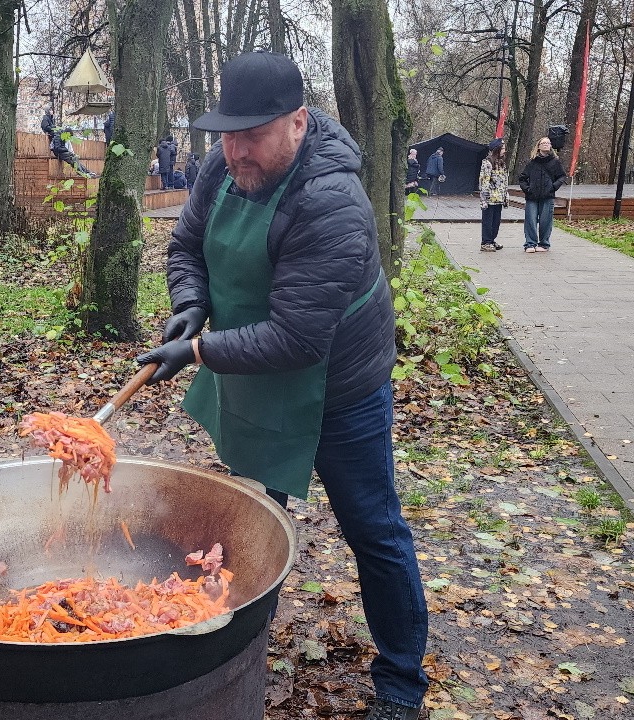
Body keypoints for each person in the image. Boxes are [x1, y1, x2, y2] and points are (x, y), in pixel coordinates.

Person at [135, 50, 428, 720]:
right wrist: (190, 302)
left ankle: (402, 684)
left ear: (297, 123)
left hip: (339, 385)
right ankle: (234, 647)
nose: (236, 152)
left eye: (254, 135)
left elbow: (298, 338)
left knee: (374, 530)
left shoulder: (331, 199)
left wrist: (200, 348)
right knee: (248, 520)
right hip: (252, 369)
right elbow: (185, 247)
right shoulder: (225, 162)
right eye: (227, 135)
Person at [518, 136, 566, 252]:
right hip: (532, 196)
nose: (546, 145)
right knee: (530, 220)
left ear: (550, 146)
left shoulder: (555, 162)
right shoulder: (532, 162)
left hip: (547, 196)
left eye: (548, 143)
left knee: (546, 221)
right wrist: (527, 189)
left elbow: (562, 176)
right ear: (538, 146)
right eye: (543, 143)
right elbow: (522, 178)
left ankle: (544, 243)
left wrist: (553, 187)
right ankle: (530, 244)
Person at [478, 138, 507, 252]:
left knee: (496, 221)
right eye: (503, 148)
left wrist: (505, 195)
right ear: (497, 149)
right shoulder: (487, 162)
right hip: (490, 198)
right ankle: (486, 242)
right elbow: (484, 181)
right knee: (488, 221)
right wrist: (484, 199)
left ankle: (492, 239)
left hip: (499, 197)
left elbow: (504, 180)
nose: (504, 150)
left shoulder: (502, 163)